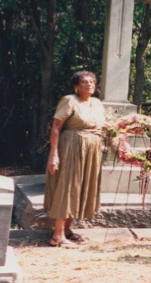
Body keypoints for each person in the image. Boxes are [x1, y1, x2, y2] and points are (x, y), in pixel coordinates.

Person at [44, 70, 107, 248]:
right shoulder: (69, 100)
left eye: (92, 82)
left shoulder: (96, 103)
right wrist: (53, 155)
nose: (89, 84)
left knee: (79, 188)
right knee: (68, 186)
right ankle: (57, 236)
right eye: (85, 82)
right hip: (71, 147)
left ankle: (67, 230)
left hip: (91, 150)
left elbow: (103, 126)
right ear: (76, 86)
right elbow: (56, 127)